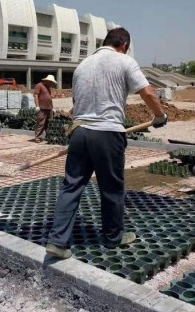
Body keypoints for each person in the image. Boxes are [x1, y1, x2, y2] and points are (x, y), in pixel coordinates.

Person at [46, 27, 168, 259]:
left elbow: (76, 101)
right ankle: (113, 237)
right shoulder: (124, 61)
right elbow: (149, 93)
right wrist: (160, 116)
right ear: (124, 45)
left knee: (71, 186)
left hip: (79, 132)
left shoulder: (83, 65)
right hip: (107, 133)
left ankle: (57, 242)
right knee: (111, 188)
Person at [34, 75, 57, 143]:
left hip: (49, 108)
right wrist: (37, 106)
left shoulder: (48, 88)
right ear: (47, 81)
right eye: (51, 82)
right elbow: (36, 95)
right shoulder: (39, 85)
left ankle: (48, 136)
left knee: (49, 123)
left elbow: (50, 98)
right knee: (41, 123)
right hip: (42, 108)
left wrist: (52, 108)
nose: (51, 84)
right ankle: (37, 137)